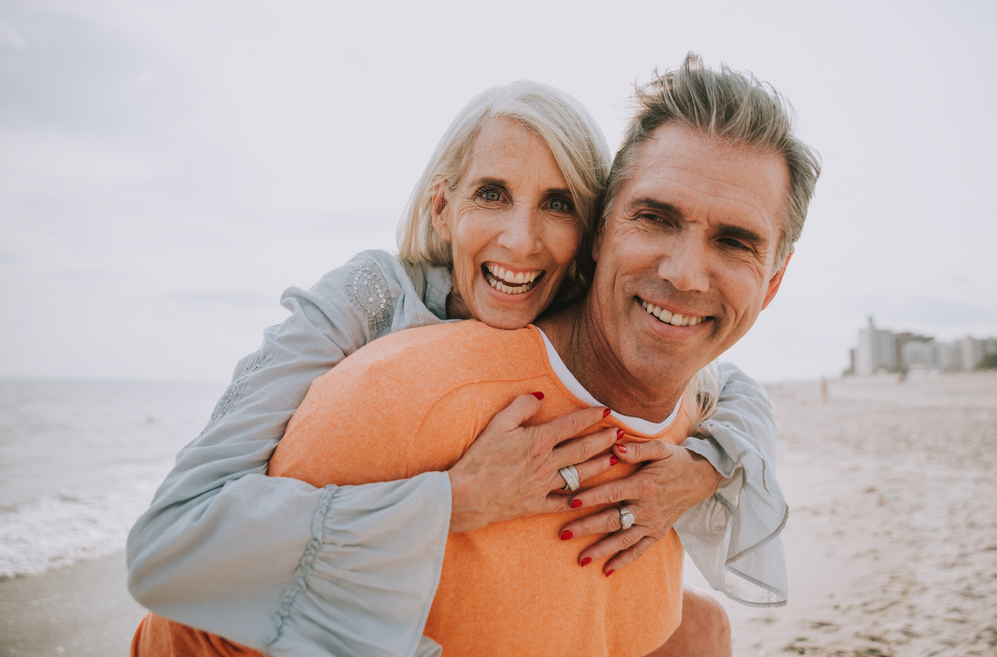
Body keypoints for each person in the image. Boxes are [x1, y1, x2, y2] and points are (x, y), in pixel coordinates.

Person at [128, 65, 792, 657]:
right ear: (443, 207)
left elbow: (727, 384)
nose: (521, 240)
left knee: (698, 625)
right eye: (492, 194)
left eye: (557, 204)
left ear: (590, 234)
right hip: (213, 628)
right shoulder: (366, 304)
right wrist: (453, 500)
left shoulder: (604, 316)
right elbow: (167, 543)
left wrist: (703, 467)